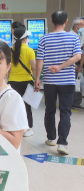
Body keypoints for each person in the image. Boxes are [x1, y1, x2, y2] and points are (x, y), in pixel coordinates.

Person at [35, 11, 82, 155]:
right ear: (66, 21)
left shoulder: (44, 38)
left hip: (49, 81)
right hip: (67, 81)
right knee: (65, 112)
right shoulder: (73, 38)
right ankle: (62, 143)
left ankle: (51, 138)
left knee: (49, 110)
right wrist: (61, 67)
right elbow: (77, 56)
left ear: (51, 21)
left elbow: (40, 60)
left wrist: (37, 78)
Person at [8, 27, 36, 137]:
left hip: (13, 81)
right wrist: (37, 79)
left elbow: (8, 67)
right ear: (25, 39)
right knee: (27, 106)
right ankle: (27, 129)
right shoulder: (30, 50)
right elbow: (34, 67)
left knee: (14, 106)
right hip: (27, 82)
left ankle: (15, 127)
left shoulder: (10, 50)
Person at [69, 17, 84, 108]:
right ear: (76, 26)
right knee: (72, 84)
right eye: (83, 25)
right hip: (72, 63)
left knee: (78, 82)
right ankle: (71, 102)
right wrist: (73, 64)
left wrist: (80, 66)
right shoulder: (70, 36)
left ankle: (77, 102)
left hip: (79, 62)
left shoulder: (81, 35)